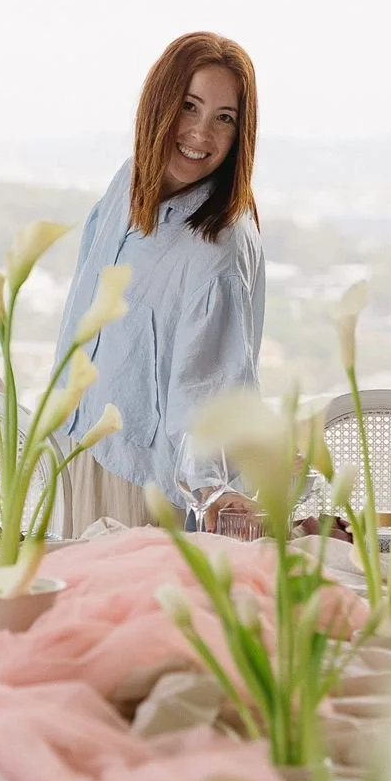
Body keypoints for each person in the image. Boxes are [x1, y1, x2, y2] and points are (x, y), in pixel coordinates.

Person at [55, 31, 265, 534]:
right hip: (83, 452)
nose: (201, 134)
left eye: (224, 118)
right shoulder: (125, 187)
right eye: (189, 107)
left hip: (150, 486)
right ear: (158, 106)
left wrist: (211, 489)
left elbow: (214, 389)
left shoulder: (217, 247)